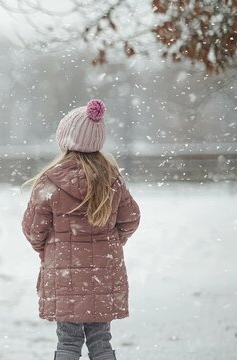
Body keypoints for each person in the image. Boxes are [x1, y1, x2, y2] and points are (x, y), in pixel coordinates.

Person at [22, 99, 140, 360]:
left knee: (68, 342)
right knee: (101, 341)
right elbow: (130, 219)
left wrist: (50, 250)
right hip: (104, 273)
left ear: (64, 140)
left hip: (63, 274)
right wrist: (111, 241)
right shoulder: (112, 179)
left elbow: (33, 229)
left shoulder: (50, 181)